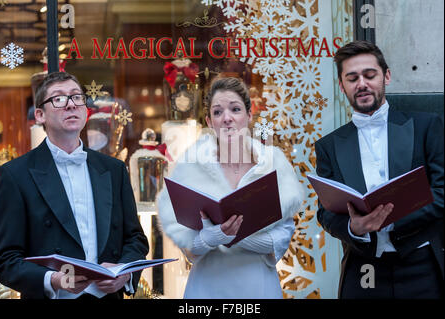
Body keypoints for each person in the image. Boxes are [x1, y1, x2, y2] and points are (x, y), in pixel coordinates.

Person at [0, 72, 148, 299]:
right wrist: (53, 280)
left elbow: (135, 240)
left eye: (77, 97)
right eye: (58, 99)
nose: (70, 105)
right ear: (40, 115)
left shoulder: (114, 170)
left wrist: (124, 274)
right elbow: (5, 260)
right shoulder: (15, 175)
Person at [315, 40, 444, 298]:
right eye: (352, 78)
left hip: (422, 265)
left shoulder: (426, 126)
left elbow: (441, 191)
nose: (361, 83)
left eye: (369, 75)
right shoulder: (328, 145)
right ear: (342, 86)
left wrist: (391, 219)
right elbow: (326, 213)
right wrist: (355, 228)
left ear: (386, 76)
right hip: (362, 270)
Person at [157, 77, 304, 298]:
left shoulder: (272, 164)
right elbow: (188, 249)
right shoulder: (191, 168)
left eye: (235, 109)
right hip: (207, 290)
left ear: (249, 115)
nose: (227, 118)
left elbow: (281, 239)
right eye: (217, 112)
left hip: (258, 288)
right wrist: (209, 238)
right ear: (209, 121)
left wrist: (233, 236)